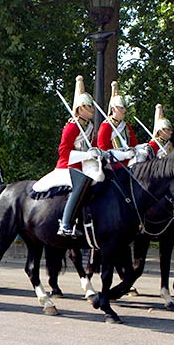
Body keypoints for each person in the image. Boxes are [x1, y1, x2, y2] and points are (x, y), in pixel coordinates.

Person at [56, 76, 103, 237]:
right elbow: (63, 151)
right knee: (82, 184)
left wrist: (97, 152)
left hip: (87, 164)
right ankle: (66, 223)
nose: (92, 109)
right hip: (69, 165)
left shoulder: (89, 126)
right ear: (80, 108)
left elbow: (94, 145)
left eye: (91, 106)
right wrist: (85, 155)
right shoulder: (72, 127)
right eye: (88, 106)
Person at [96, 80, 138, 169]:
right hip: (113, 165)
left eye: (124, 108)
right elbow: (103, 150)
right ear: (114, 109)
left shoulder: (126, 126)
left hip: (130, 162)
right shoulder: (106, 126)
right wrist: (123, 155)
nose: (124, 111)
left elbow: (134, 144)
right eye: (121, 108)